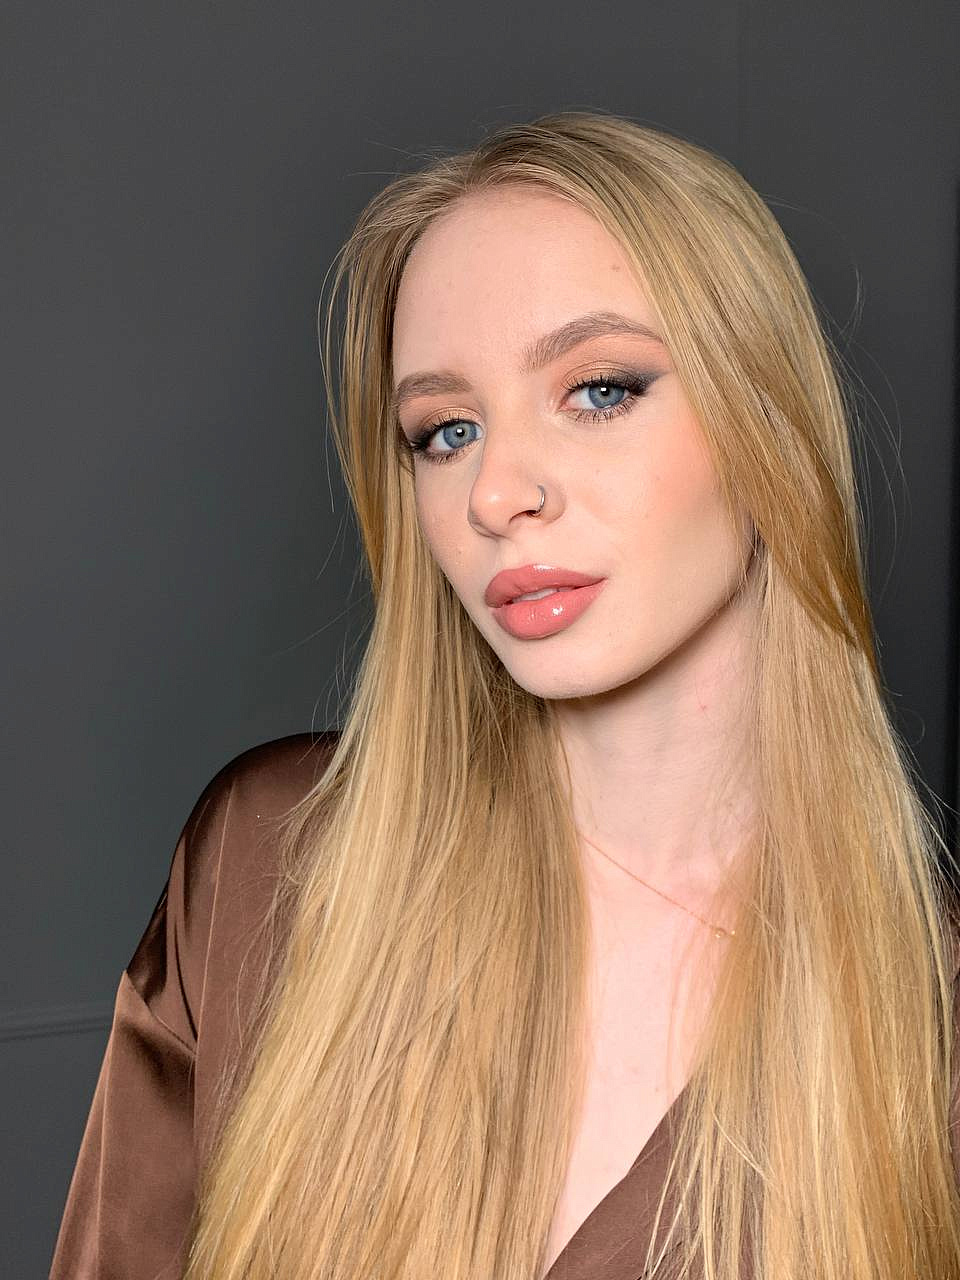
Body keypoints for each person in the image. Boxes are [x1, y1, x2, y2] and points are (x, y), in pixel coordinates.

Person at [50, 110, 960, 1280]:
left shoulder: (929, 1019)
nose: (495, 492)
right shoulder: (267, 866)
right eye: (447, 431)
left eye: (598, 389)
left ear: (767, 415)